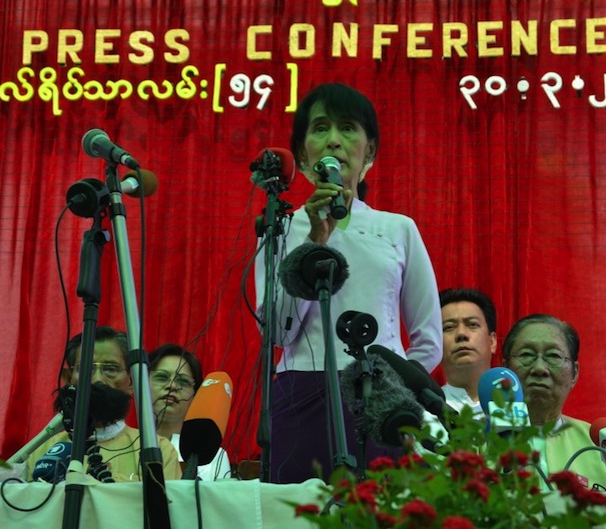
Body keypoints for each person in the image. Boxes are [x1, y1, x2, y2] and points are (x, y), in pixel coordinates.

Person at [255, 82, 442, 483]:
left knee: (381, 511)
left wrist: (398, 391)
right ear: (304, 153)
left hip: (379, 396)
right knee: (298, 514)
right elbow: (278, 331)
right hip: (300, 392)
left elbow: (428, 337)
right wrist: (314, 240)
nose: (334, 140)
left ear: (368, 151)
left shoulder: (398, 228)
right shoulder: (280, 227)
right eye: (320, 128)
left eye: (347, 128)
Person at [26, 326, 181, 482]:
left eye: (110, 369)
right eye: (86, 368)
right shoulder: (45, 450)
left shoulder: (156, 450)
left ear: (132, 382)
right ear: (68, 378)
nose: (98, 379)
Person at [502, 314, 606, 491]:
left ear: (574, 373)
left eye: (553, 356)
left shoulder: (601, 445)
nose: (539, 369)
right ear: (505, 369)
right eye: (526, 355)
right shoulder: (477, 442)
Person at [148, 343, 232, 480]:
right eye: (162, 377)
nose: (171, 386)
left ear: (195, 394)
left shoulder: (214, 457)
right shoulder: (123, 446)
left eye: (183, 381)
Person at [439, 287, 498, 418]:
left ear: (492, 341)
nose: (461, 334)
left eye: (472, 324)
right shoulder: (425, 412)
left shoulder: (516, 405)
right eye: (448, 327)